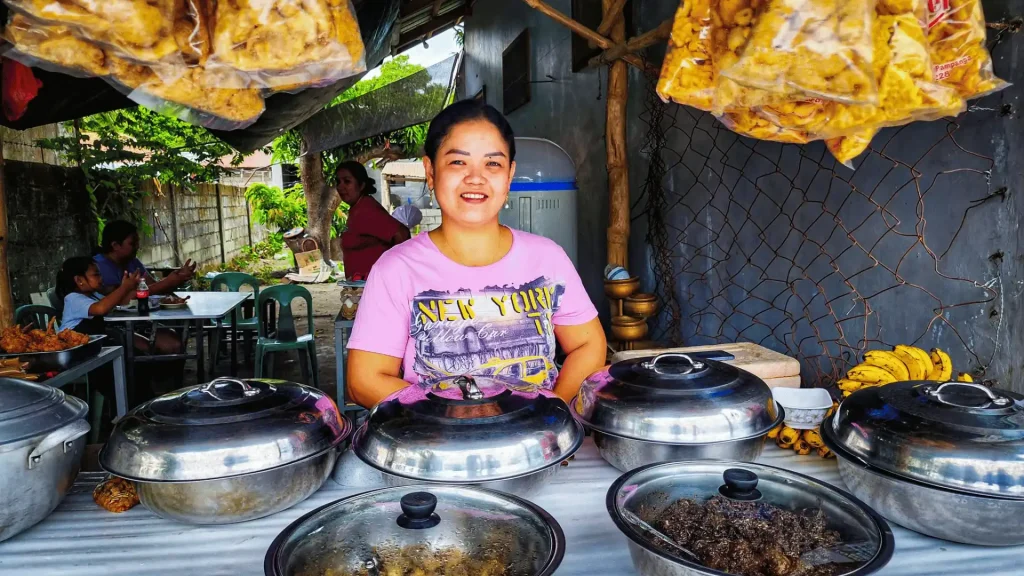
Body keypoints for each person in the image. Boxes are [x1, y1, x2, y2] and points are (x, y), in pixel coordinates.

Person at [346, 100, 607, 407]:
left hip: (537, 447)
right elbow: (364, 380)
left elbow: (589, 344)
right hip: (438, 445)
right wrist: (455, 421)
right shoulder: (396, 269)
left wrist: (551, 411)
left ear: (509, 175)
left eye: (493, 164)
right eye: (458, 162)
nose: (475, 177)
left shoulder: (547, 258)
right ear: (430, 171)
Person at [55, 256, 182, 354]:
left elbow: (119, 302)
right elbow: (101, 308)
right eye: (96, 274)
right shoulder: (73, 299)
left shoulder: (94, 295)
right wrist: (124, 287)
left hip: (93, 343)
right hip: (73, 348)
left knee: (143, 346)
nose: (101, 278)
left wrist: (129, 289)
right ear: (79, 280)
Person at [336, 160, 410, 281]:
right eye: (338, 181)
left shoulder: (366, 209)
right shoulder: (357, 208)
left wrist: (394, 273)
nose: (340, 186)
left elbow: (402, 234)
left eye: (347, 181)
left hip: (375, 288)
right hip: (361, 289)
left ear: (361, 185)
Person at [93, 220, 196, 296]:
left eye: (137, 242)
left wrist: (178, 278)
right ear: (115, 245)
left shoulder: (133, 262)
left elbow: (154, 287)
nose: (137, 246)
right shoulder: (97, 266)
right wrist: (168, 282)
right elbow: (122, 297)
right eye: (132, 243)